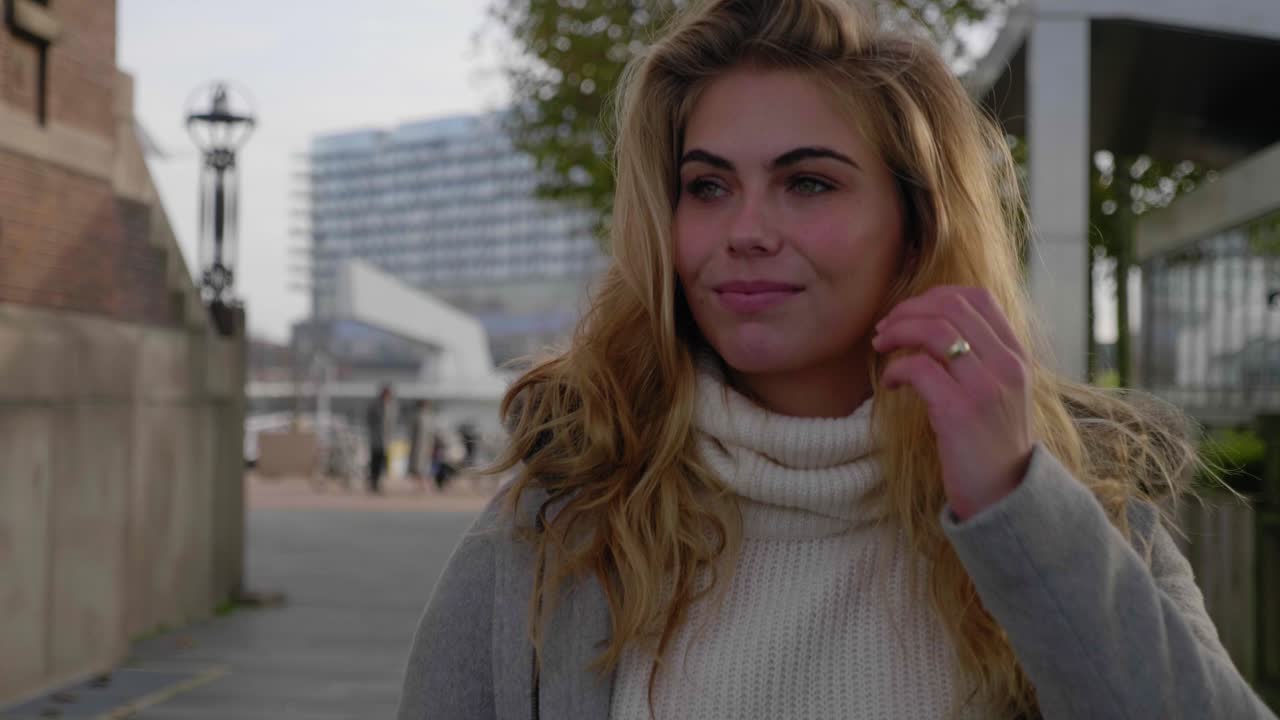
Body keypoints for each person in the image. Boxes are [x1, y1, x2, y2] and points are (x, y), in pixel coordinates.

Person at [398, 1, 1276, 718]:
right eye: (707, 187)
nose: (745, 233)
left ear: (917, 224)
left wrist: (1015, 501)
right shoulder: (564, 518)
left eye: (808, 182)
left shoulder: (1077, 500)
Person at [365, 384, 396, 494]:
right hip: (376, 439)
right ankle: (373, 483)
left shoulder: (392, 406)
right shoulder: (375, 405)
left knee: (384, 462)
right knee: (375, 461)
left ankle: (378, 482)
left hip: (386, 440)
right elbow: (369, 420)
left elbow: (392, 423)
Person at [408, 399, 436, 491]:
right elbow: (413, 432)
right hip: (418, 444)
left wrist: (431, 444)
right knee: (418, 465)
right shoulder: (417, 416)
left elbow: (430, 433)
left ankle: (422, 484)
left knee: (424, 465)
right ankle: (420, 484)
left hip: (425, 444)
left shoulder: (428, 416)